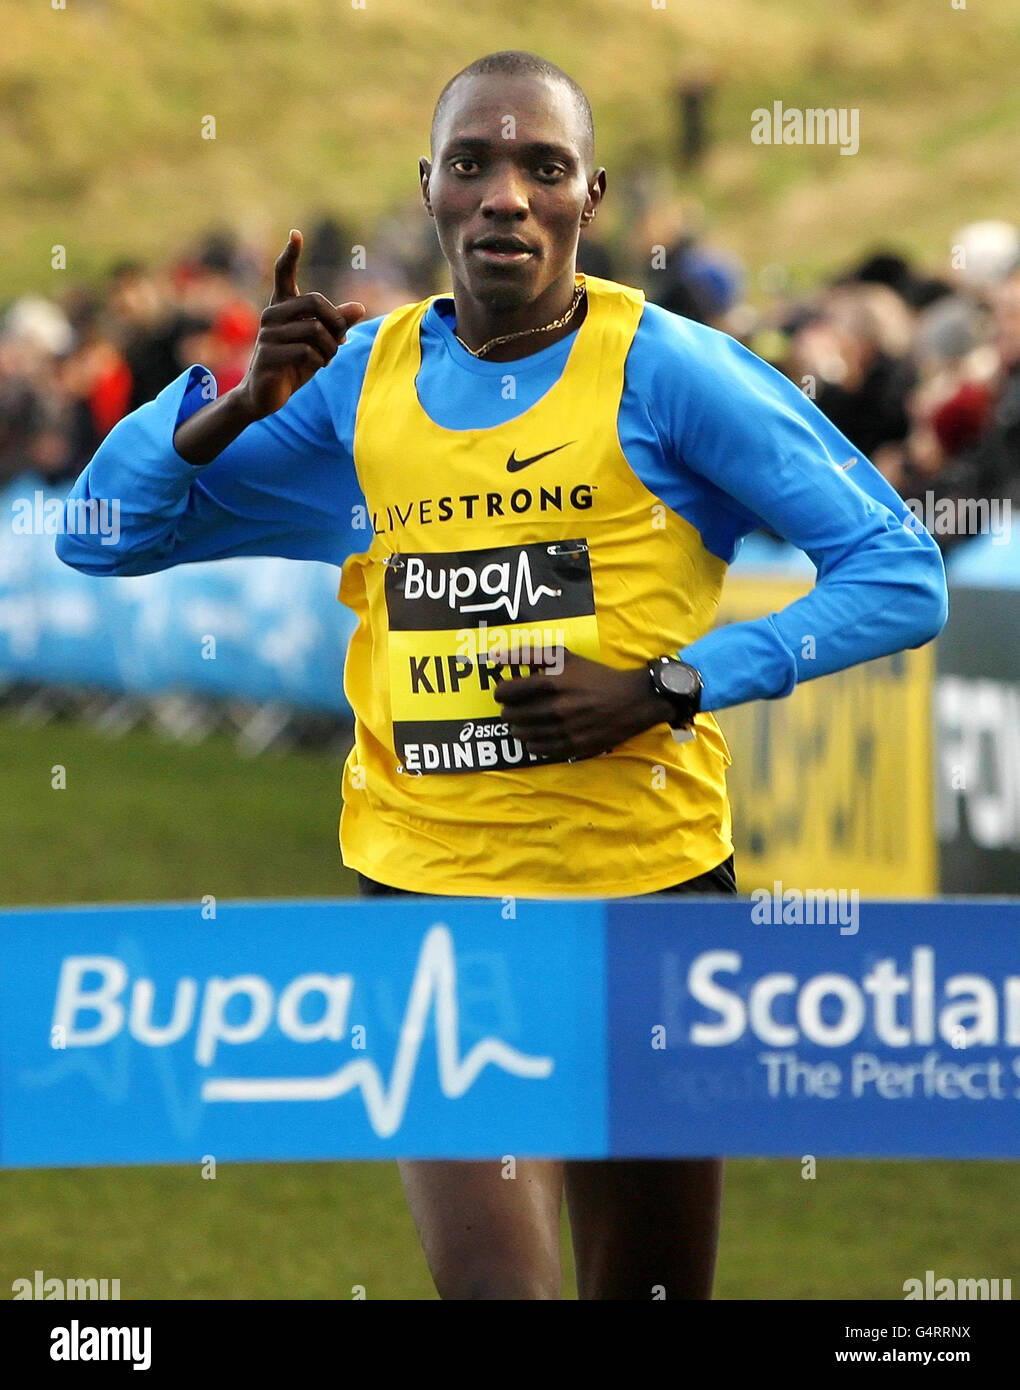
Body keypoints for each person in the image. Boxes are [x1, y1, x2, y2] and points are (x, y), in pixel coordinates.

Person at [57, 50, 948, 1300]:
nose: (505, 196)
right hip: (429, 902)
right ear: (429, 189)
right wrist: (225, 407)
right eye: (473, 164)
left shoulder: (672, 370)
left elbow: (901, 574)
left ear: (593, 197)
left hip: (649, 903)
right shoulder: (360, 383)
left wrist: (667, 685)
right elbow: (98, 536)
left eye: (543, 167)